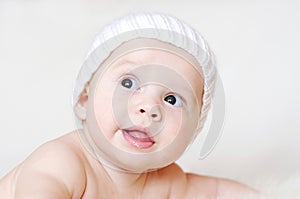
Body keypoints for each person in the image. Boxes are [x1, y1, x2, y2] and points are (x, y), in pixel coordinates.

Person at [0, 13, 259, 199]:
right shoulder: (64, 162)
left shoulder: (167, 183)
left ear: (192, 133)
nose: (149, 107)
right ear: (84, 99)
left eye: (172, 100)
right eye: (128, 83)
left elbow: (216, 192)